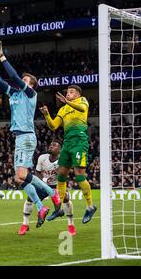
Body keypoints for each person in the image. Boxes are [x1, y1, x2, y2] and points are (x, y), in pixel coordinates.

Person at [0, 41, 60, 228]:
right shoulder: (14, 94)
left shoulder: (31, 94)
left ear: (31, 85)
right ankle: (41, 207)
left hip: (26, 137)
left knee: (23, 174)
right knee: (19, 178)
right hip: (20, 137)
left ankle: (52, 194)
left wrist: (2, 57)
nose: (21, 81)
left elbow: (14, 77)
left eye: (26, 80)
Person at [40, 85, 97, 223]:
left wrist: (67, 101)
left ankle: (90, 207)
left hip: (79, 141)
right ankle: (59, 208)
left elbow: (83, 109)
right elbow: (53, 126)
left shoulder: (82, 101)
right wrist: (47, 114)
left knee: (79, 177)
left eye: (71, 92)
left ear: (77, 94)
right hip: (67, 143)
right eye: (68, 92)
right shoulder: (63, 109)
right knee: (61, 176)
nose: (69, 93)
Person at [18, 141, 76, 236]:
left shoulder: (63, 159)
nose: (51, 146)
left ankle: (71, 224)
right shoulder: (42, 158)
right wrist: (43, 181)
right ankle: (25, 224)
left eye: (54, 145)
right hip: (43, 184)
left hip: (57, 185)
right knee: (29, 199)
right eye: (51, 144)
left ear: (59, 150)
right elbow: (37, 172)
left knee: (66, 199)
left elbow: (66, 173)